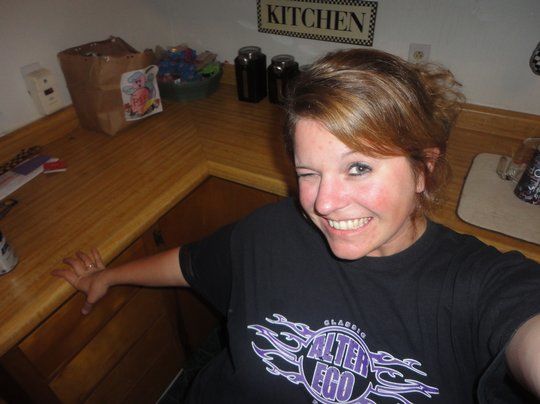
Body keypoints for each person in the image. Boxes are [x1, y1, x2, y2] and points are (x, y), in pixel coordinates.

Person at [54, 49, 540, 403]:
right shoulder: (271, 232)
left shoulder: (478, 287)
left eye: (358, 168)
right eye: (309, 173)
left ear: (423, 170)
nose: (324, 203)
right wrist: (108, 276)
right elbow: (191, 262)